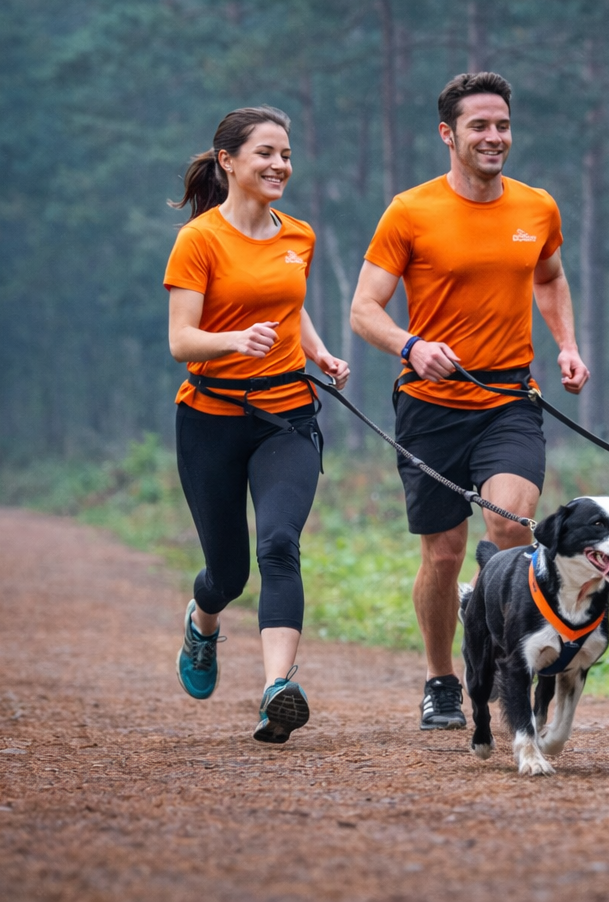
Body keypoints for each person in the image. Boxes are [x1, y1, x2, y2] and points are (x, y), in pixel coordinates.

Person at [351, 72, 589, 732]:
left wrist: (566, 344)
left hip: (509, 397)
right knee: (443, 553)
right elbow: (363, 309)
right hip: (429, 404)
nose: (494, 137)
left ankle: (507, 656)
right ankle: (439, 678)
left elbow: (550, 277)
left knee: (511, 527)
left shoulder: (537, 207)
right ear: (448, 134)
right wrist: (410, 346)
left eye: (502, 125)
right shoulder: (410, 211)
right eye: (479, 126)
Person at [165, 106, 352, 744]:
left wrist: (319, 351)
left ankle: (278, 689)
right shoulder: (199, 240)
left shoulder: (298, 235)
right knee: (229, 573)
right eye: (266, 154)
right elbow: (182, 342)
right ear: (228, 162)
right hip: (210, 422)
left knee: (279, 545)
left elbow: (287, 308)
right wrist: (234, 341)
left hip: (286, 418)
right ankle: (203, 618)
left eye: (286, 155)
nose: (280, 166)